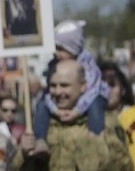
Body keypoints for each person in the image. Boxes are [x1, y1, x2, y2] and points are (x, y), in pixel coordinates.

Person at [31, 19, 109, 156]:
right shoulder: (53, 65)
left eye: (61, 49)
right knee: (41, 104)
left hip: (91, 97)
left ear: (74, 49)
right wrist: (55, 110)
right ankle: (40, 140)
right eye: (55, 47)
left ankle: (96, 137)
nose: (56, 52)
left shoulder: (87, 64)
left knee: (96, 104)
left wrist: (77, 111)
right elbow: (49, 90)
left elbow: (92, 90)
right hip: (61, 110)